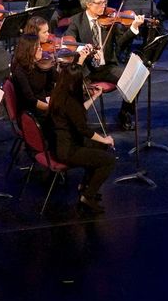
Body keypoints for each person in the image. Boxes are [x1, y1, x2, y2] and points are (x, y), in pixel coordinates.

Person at [67, 0, 143, 131]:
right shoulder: (77, 21)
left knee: (134, 79)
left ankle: (125, 113)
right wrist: (83, 49)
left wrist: (133, 28)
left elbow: (121, 43)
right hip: (86, 69)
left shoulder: (111, 19)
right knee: (75, 90)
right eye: (100, 3)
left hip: (106, 67)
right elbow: (68, 41)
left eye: (104, 2)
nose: (104, 6)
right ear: (88, 4)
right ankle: (76, 122)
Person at [48, 63, 117, 213]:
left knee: (100, 146)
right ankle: (88, 196)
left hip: (60, 144)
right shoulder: (70, 101)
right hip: (68, 150)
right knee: (109, 161)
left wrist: (94, 97)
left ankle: (85, 185)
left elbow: (77, 114)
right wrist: (105, 139)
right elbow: (83, 129)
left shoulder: (59, 94)